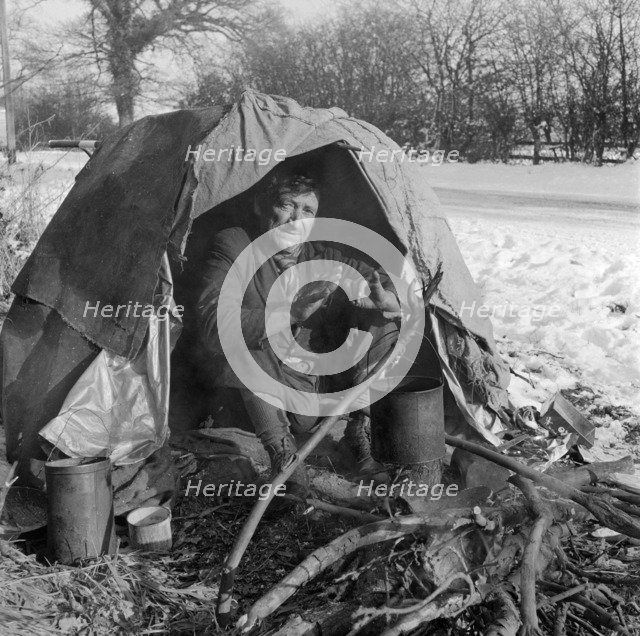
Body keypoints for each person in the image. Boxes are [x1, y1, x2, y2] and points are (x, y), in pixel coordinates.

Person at [193, 166, 400, 498]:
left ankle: (357, 430)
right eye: (288, 204)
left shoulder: (325, 256)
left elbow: (381, 282)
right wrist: (288, 313)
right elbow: (211, 324)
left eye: (308, 211)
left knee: (383, 319)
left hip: (312, 393)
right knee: (241, 335)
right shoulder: (235, 245)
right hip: (259, 399)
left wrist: (388, 299)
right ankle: (284, 459)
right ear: (263, 206)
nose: (295, 219)